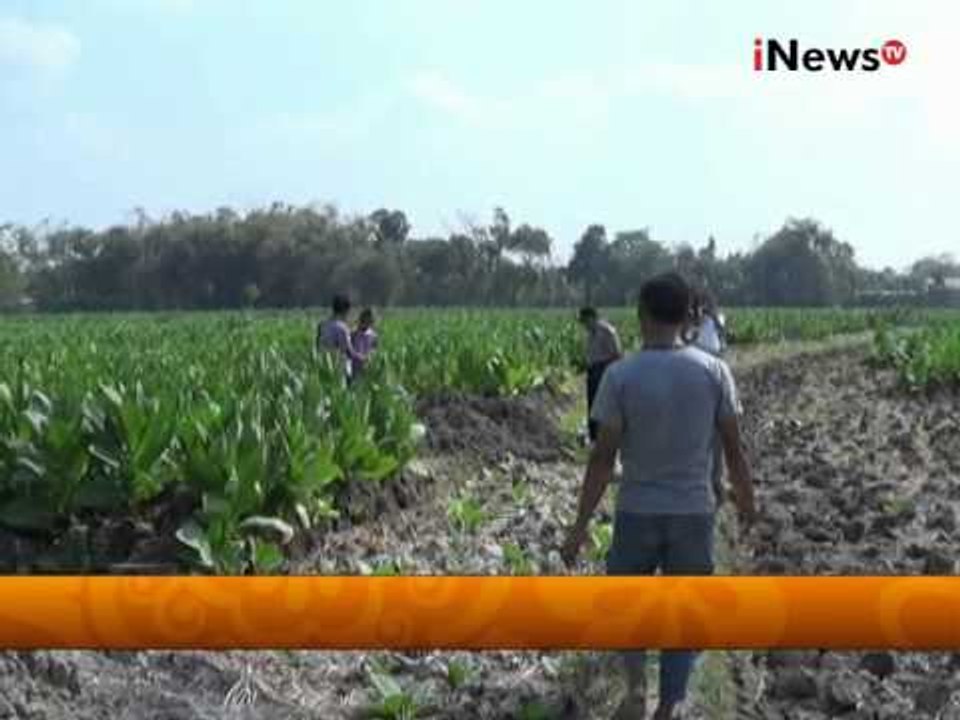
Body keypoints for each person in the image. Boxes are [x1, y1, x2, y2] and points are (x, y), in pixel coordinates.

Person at [561, 272, 757, 720]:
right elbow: (733, 448)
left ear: (642, 315)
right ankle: (669, 705)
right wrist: (746, 501)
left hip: (637, 510)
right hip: (693, 513)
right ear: (689, 314)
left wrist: (578, 529)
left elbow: (602, 460)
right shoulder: (714, 372)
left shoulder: (620, 375)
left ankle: (635, 690)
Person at [579, 307, 622, 444]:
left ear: (592, 318)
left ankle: (605, 436)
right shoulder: (591, 333)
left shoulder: (606, 331)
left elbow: (616, 354)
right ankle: (594, 437)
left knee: (603, 404)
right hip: (593, 370)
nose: (584, 325)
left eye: (585, 321)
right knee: (592, 404)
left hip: (603, 370)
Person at [316, 294, 365, 383]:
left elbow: (317, 346)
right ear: (345, 310)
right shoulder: (342, 328)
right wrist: (363, 358)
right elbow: (349, 352)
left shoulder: (322, 325)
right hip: (338, 370)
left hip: (322, 368)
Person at [350, 308, 378, 379]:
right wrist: (358, 356)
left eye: (370, 321)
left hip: (367, 365)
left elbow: (374, 349)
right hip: (354, 366)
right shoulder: (353, 334)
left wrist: (369, 356)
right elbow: (349, 349)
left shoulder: (373, 335)